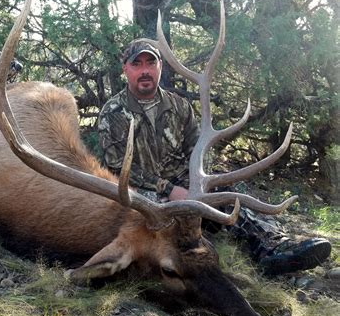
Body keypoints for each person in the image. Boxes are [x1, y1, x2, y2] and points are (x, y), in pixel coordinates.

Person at [97, 39, 331, 275]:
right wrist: (168, 189)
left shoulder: (180, 106)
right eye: (137, 64)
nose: (145, 70)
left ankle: (273, 248)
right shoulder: (112, 112)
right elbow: (116, 167)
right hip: (141, 194)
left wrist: (198, 185)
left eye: (151, 62)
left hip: (186, 186)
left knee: (225, 194)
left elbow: (199, 149)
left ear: (160, 67)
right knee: (152, 212)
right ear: (125, 69)